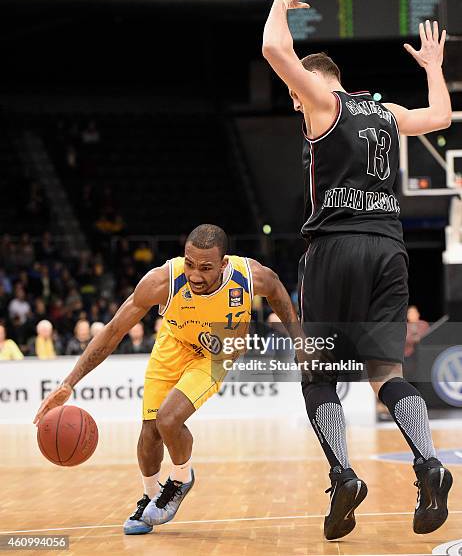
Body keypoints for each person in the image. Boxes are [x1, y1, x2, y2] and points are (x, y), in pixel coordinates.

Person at [262, 0, 453, 540]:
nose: (297, 107)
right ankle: (428, 463)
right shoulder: (385, 112)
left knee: (317, 374)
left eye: (296, 96)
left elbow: (275, 47)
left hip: (336, 249)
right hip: (390, 250)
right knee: (386, 373)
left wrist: (278, 3)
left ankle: (343, 475)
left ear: (312, 86)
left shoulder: (321, 100)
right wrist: (434, 69)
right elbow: (440, 118)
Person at [33, 224, 302, 535]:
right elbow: (113, 331)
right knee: (149, 432)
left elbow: (279, 292)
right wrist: (70, 382)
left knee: (168, 419)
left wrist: (300, 341)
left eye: (205, 267)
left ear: (223, 263)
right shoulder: (163, 280)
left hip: (217, 353)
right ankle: (149, 496)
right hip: (172, 345)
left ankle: (180, 478)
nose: (195, 275)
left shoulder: (250, 276)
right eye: (190, 264)